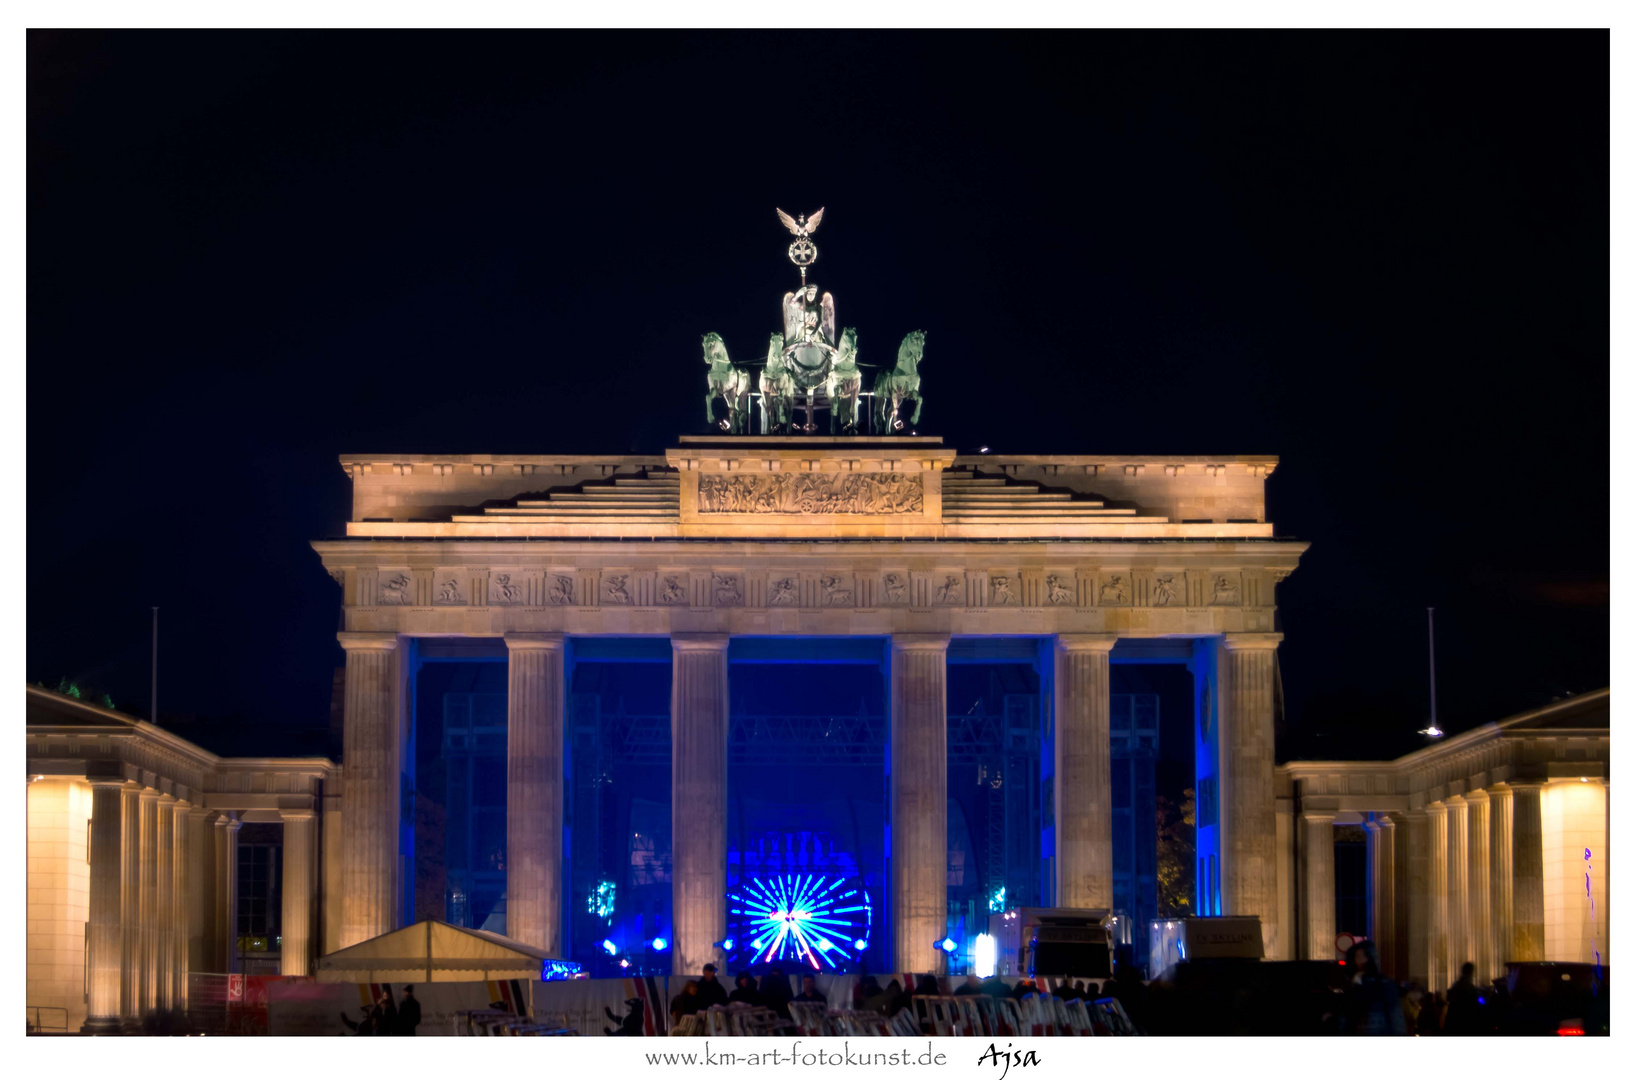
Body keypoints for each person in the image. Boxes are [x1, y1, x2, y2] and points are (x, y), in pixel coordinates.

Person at [1342, 942, 1405, 1035]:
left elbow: (1394, 1013)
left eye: (1361, 955)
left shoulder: (1383, 983)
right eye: (1356, 956)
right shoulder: (1353, 983)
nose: (1358, 959)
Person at [1443, 962, 1482, 1034]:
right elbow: (1475, 1001)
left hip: (1455, 1021)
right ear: (1470, 972)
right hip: (1464, 1021)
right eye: (1473, 972)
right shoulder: (1467, 986)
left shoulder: (1457, 985)